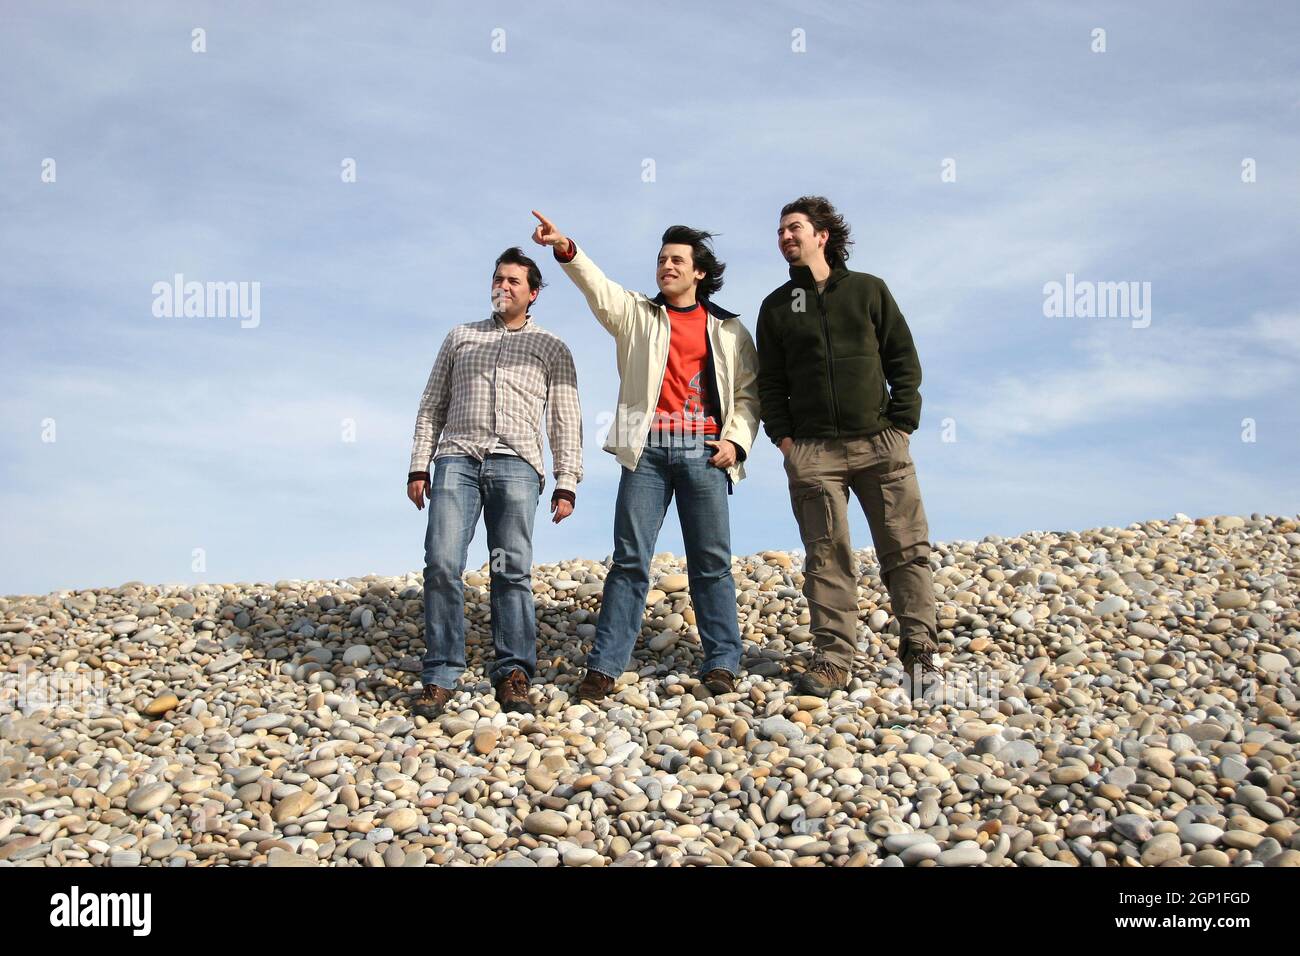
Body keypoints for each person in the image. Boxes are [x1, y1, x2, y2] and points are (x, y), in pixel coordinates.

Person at [530, 210, 760, 701]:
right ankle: (605, 667)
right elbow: (597, 287)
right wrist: (566, 247)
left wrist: (736, 441)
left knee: (711, 562)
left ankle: (722, 662)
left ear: (699, 271)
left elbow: (748, 394)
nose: (666, 266)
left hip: (705, 453)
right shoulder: (636, 314)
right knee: (630, 561)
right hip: (647, 452)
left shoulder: (730, 329)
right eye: (661, 260)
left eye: (677, 260)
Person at [755, 196, 941, 698]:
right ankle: (834, 659)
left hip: (881, 442)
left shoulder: (867, 291)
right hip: (814, 452)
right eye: (780, 231)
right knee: (826, 556)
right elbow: (769, 382)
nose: (785, 237)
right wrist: (786, 440)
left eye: (794, 228)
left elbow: (903, 357)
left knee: (904, 549)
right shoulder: (776, 307)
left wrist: (903, 421)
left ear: (823, 236)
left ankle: (919, 650)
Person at [405, 247, 582, 718]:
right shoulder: (460, 337)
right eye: (498, 279)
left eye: (513, 282)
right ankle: (441, 672)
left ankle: (513, 671)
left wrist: (568, 480)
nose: (502, 287)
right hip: (457, 460)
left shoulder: (552, 347)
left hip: (517, 464)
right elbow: (431, 405)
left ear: (533, 293)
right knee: (442, 563)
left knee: (512, 571)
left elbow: (565, 418)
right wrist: (419, 465)